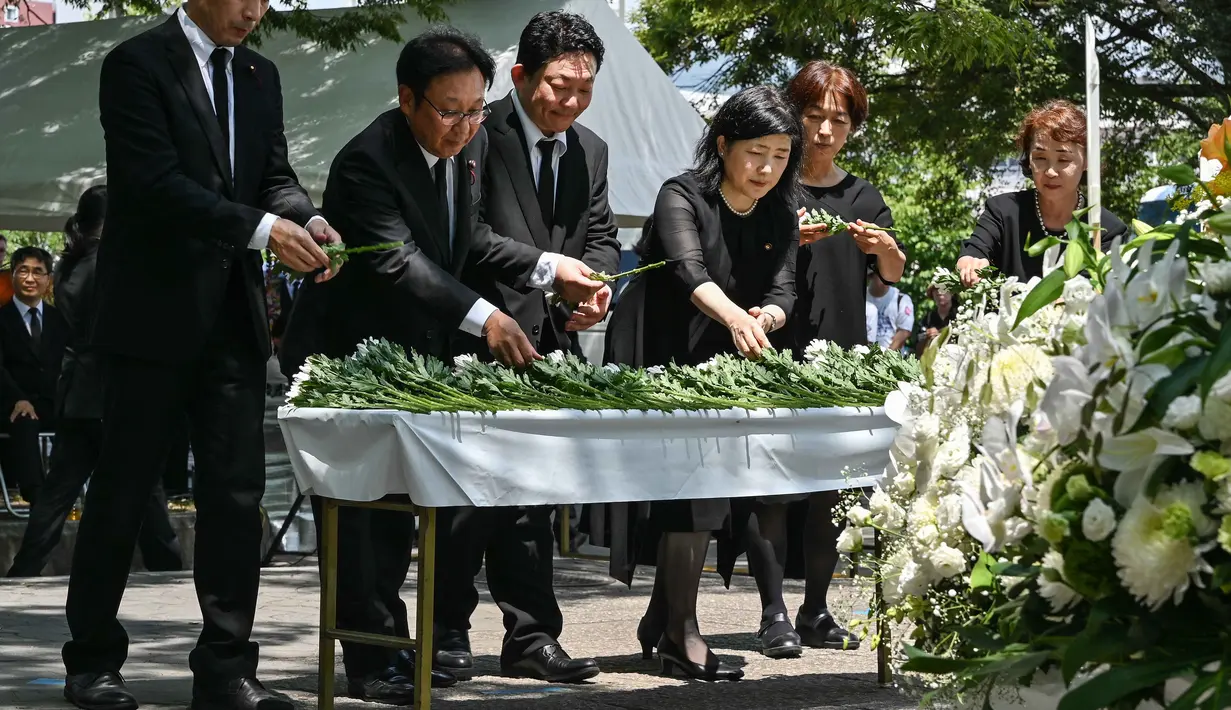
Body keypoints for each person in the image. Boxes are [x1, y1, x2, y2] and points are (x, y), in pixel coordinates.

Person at [278, 25, 605, 703]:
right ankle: (371, 662)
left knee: (399, 512)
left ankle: (398, 649)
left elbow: (475, 238)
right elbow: (400, 261)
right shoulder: (367, 160)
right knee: (362, 519)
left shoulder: (475, 143)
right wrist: (488, 317)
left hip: (418, 359)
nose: (464, 127)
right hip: (353, 355)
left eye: (475, 109)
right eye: (448, 111)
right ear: (407, 100)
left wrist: (550, 267)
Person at [61, 0, 342, 707]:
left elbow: (272, 174)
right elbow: (152, 185)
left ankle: (227, 668)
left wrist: (305, 216)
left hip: (232, 320)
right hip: (149, 318)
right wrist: (263, 228)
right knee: (123, 491)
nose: (256, 11)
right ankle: (91, 661)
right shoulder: (136, 64)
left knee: (234, 494)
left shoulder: (260, 74)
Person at [438, 10, 617, 684]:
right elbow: (470, 236)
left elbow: (597, 235)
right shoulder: (473, 130)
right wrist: (550, 269)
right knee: (466, 504)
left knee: (533, 503)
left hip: (548, 350)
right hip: (477, 335)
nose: (571, 101)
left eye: (583, 88)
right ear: (519, 77)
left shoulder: (591, 150)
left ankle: (532, 637)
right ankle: (446, 630)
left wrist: (593, 289)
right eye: (558, 86)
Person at [603, 85, 802, 681]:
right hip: (662, 352)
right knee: (690, 493)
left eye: (780, 155)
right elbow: (689, 270)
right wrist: (739, 316)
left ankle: (663, 618)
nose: (767, 168)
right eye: (755, 152)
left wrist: (765, 315)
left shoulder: (780, 210)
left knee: (708, 487)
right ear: (723, 144)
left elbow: (784, 290)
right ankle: (680, 635)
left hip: (728, 356)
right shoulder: (680, 194)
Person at [725, 62, 905, 661]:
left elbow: (891, 278)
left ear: (853, 126)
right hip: (773, 354)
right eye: (815, 116)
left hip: (843, 361)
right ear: (794, 117)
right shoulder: (769, 183)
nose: (826, 130)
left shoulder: (864, 196)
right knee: (770, 489)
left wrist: (887, 249)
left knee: (831, 492)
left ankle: (817, 608)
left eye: (840, 119)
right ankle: (773, 612)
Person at [6, 186, 183, 579]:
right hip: (109, 389)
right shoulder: (109, 262)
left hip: (78, 391)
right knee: (145, 484)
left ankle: (25, 566)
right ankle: (166, 563)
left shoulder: (74, 262)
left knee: (60, 491)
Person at [957, 99, 1129, 287]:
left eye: (1063, 159)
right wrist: (971, 263)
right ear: (1028, 159)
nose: (1050, 171)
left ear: (1087, 161)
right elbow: (975, 250)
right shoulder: (1002, 212)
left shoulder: (1105, 229)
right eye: (1040, 157)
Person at [0, 246, 69, 506]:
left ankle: (75, 492)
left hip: (53, 402)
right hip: (11, 404)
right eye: (23, 271)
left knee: (85, 421)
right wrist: (17, 398)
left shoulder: (60, 320)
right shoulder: (1, 318)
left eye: (38, 272)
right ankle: (37, 496)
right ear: (12, 276)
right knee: (25, 419)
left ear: (48, 279)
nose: (31, 278)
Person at [867, 269, 913, 352]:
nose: (887, 279)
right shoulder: (860, 297)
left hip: (890, 358)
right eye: (882, 275)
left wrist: (887, 356)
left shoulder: (901, 299)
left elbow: (904, 331)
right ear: (871, 276)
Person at [915, 284, 957, 355]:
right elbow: (918, 350)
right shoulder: (928, 318)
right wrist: (928, 338)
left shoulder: (961, 315)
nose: (939, 292)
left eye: (943, 288)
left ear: (951, 292)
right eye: (936, 289)